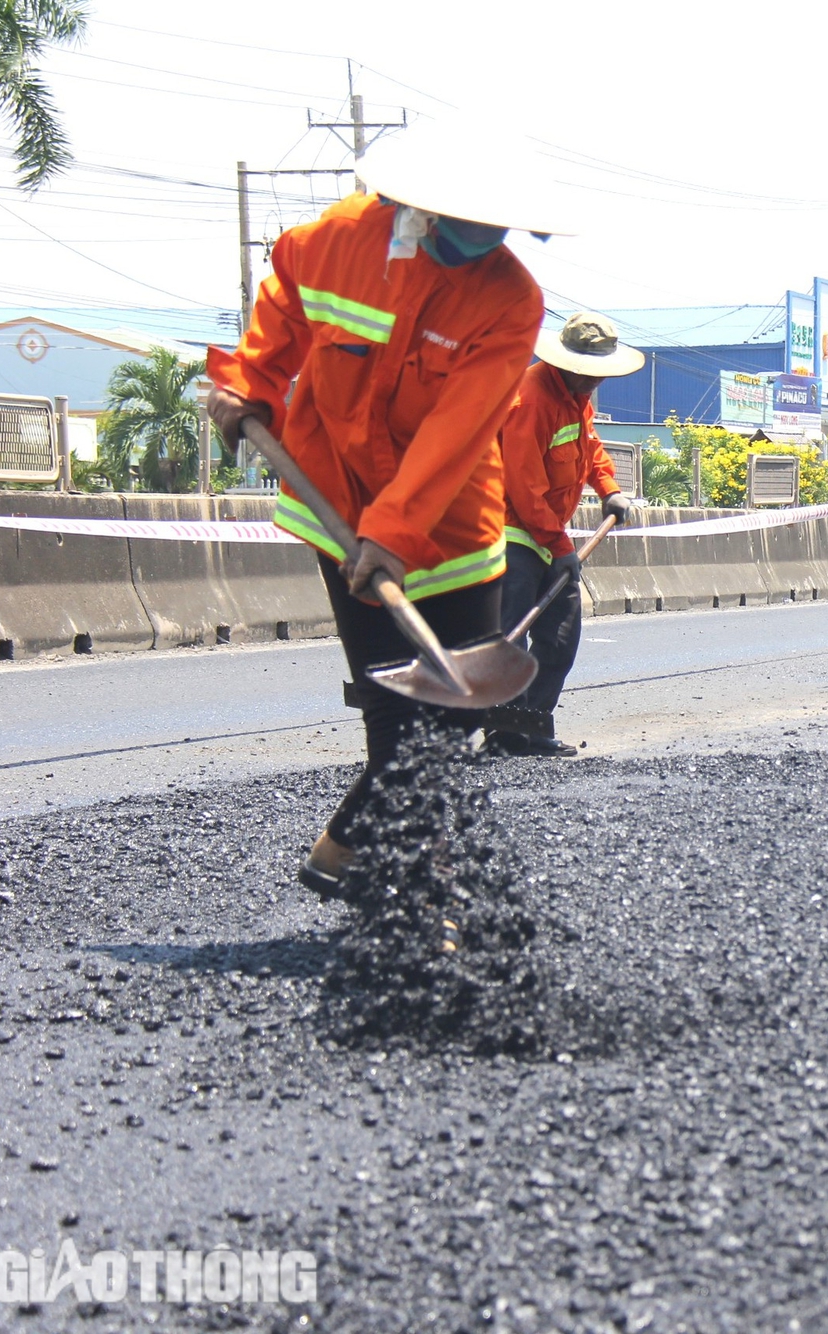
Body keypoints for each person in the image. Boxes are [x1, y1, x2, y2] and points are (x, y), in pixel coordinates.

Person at [204, 125, 571, 896]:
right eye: (472, 222)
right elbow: (278, 327)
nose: (487, 239)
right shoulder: (329, 244)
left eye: (499, 226)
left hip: (453, 526)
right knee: (390, 708)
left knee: (453, 717)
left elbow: (457, 430)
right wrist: (250, 386)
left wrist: (396, 532)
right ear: (421, 208)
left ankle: (348, 850)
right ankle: (415, 889)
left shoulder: (510, 301)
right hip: (335, 506)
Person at [487, 312, 645, 756]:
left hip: (548, 535)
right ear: (565, 363)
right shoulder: (530, 401)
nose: (595, 380)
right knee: (511, 638)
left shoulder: (577, 398)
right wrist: (560, 548)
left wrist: (609, 490)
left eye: (601, 373)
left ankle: (532, 728)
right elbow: (524, 486)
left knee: (559, 637)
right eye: (588, 372)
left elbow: (590, 448)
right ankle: (504, 733)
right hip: (511, 535)